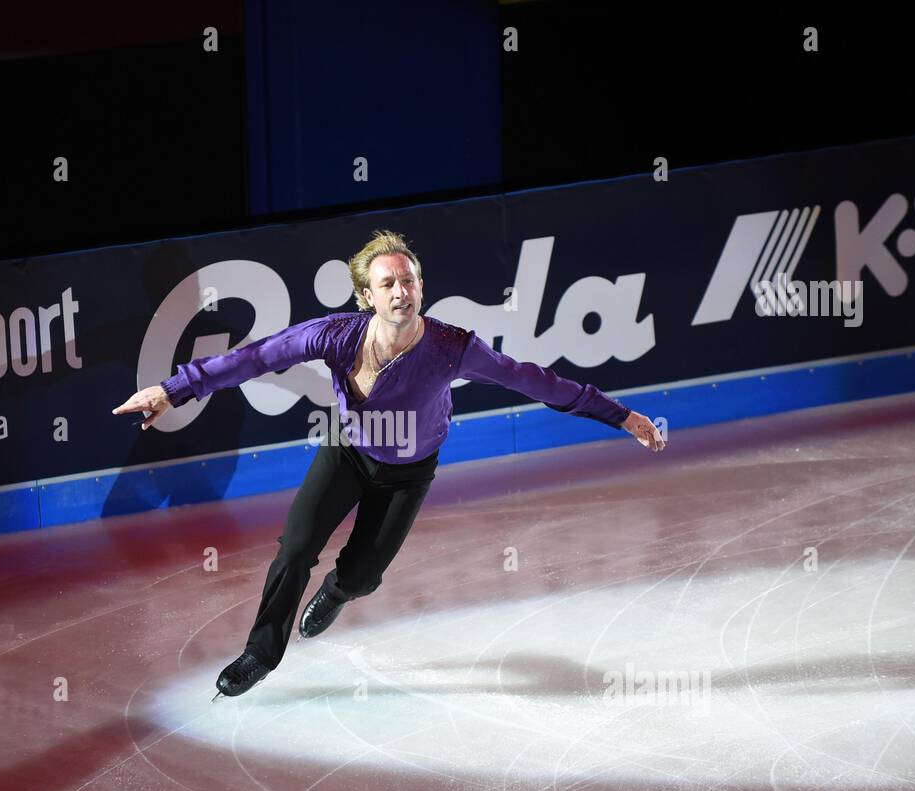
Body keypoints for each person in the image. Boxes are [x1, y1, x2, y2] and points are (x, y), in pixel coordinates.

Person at [112, 230, 666, 697]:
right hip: (348, 450)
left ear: (421, 287)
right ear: (366, 296)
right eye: (388, 284)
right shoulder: (331, 336)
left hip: (409, 471)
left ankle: (339, 591)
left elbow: (534, 379)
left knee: (362, 573)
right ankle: (261, 653)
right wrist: (171, 390)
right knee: (296, 547)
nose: (401, 291)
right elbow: (252, 359)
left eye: (409, 281)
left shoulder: (452, 347)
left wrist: (616, 415)